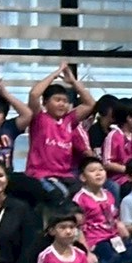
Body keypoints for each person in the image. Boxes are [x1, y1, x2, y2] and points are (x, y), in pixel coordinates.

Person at [21, 63, 95, 203]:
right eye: (57, 100)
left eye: (65, 101)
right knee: (59, 195)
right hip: (40, 175)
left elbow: (90, 104)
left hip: (65, 175)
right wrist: (55, 74)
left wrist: (73, 81)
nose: (62, 104)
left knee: (85, 195)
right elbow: (34, 94)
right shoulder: (39, 118)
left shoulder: (69, 120)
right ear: (45, 102)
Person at [72, 156, 130, 263]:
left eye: (101, 170)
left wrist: (120, 225)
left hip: (114, 238)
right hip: (95, 241)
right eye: (92, 171)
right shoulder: (80, 198)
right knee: (113, 260)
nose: (98, 174)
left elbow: (113, 216)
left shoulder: (109, 194)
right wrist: (87, 252)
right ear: (83, 177)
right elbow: (77, 228)